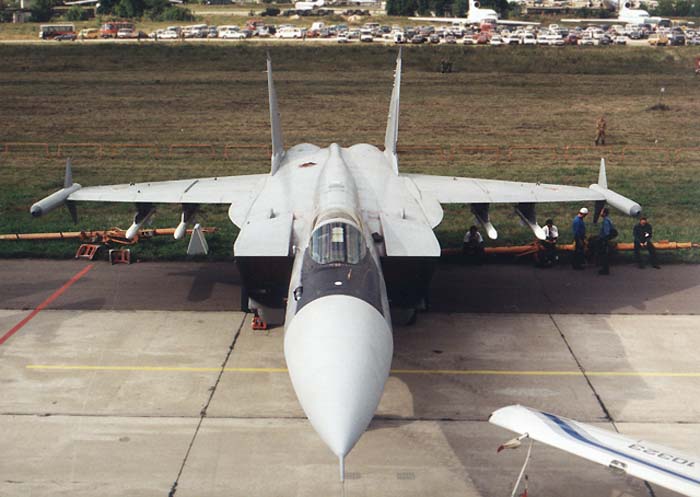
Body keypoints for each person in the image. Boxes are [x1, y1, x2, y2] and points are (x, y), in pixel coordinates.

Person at [597, 207, 617, 275]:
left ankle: (605, 270)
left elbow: (606, 232)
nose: (600, 213)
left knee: (604, 255)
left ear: (604, 213)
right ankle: (605, 269)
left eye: (601, 212)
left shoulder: (605, 221)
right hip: (605, 239)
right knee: (604, 254)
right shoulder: (608, 220)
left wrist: (603, 240)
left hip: (604, 240)